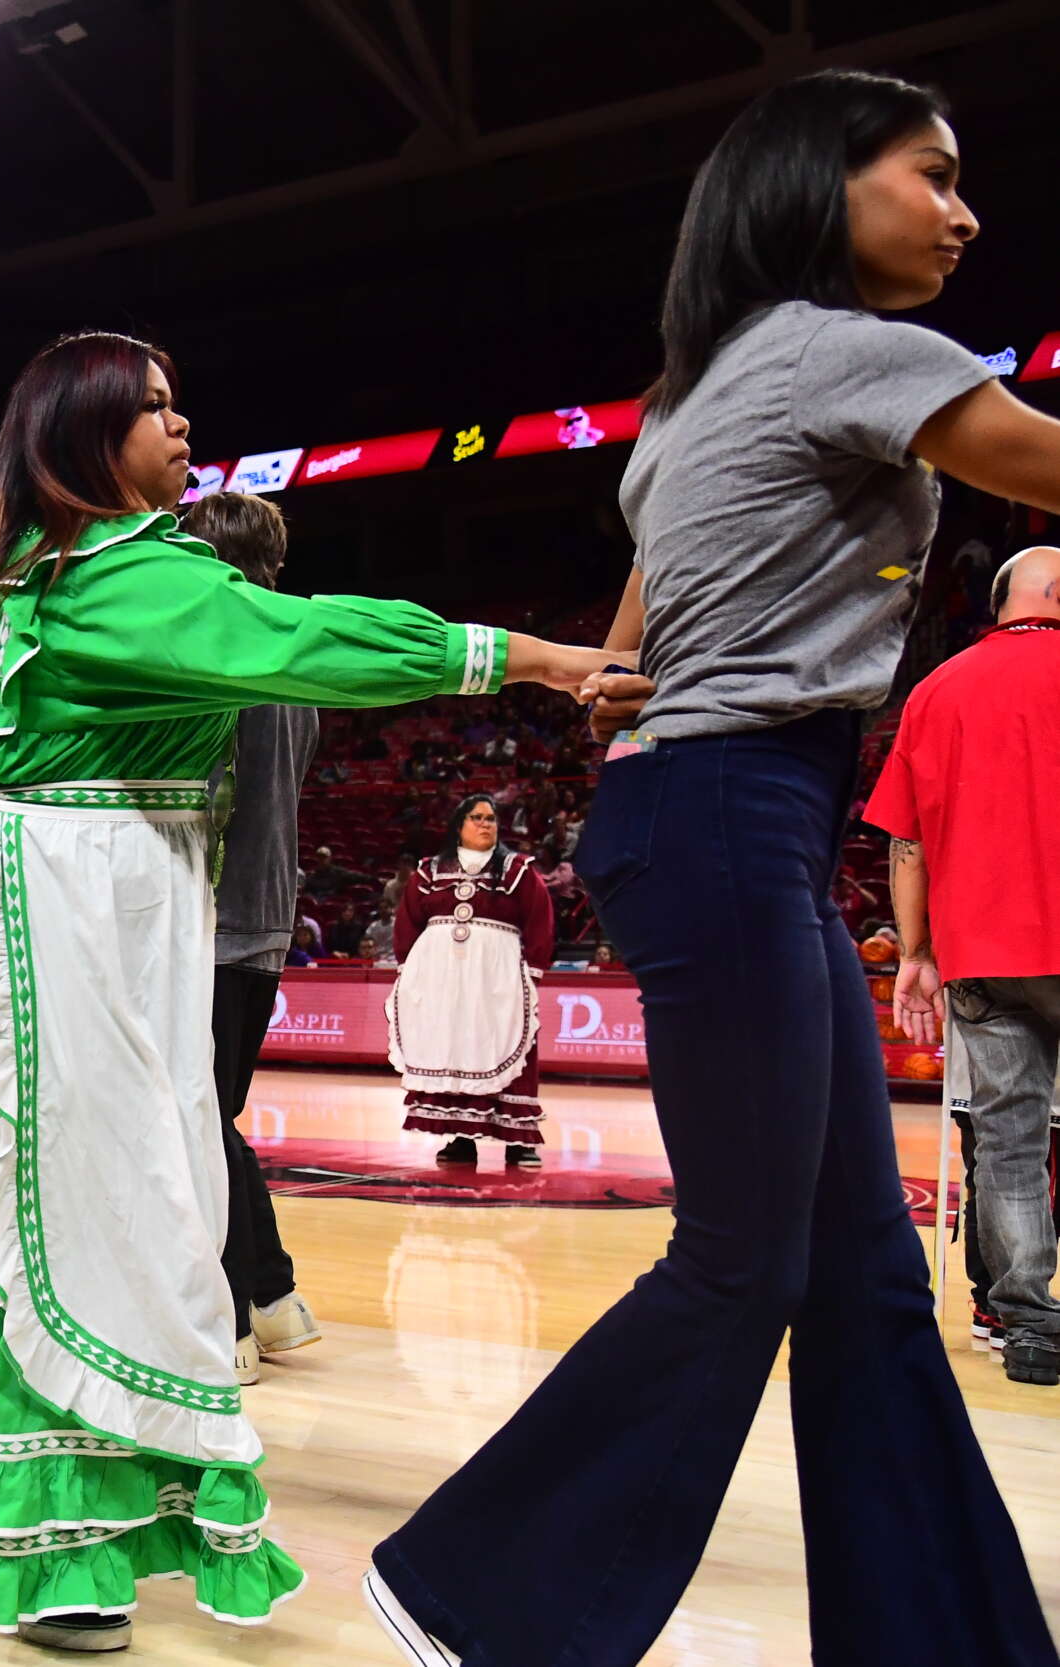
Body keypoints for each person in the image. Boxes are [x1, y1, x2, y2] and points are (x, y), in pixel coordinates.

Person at [372, 71, 1060, 1667]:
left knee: (867, 1269)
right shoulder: (857, 351)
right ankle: (479, 1591)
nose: (963, 214)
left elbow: (641, 596)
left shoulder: (700, 389)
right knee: (746, 1255)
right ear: (824, 184)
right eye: (934, 176)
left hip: (723, 806)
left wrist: (627, 668)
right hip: (734, 802)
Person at [0, 331, 609, 1651]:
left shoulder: (46, 562)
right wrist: (540, 656)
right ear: (85, 434)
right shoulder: (123, 578)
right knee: (62, 1209)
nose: (183, 427)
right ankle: (32, 1527)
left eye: (181, 404)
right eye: (154, 408)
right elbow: (317, 638)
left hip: (57, 887)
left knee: (56, 1207)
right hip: (36, 900)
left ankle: (30, 1494)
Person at [868, 545, 1060, 1387]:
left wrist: (915, 953)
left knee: (1009, 1143)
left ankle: (1030, 1326)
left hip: (982, 956)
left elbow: (906, 843)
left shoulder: (936, 690)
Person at [179, 488, 320, 1386]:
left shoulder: (223, 642)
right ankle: (273, 1298)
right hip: (259, 916)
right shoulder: (294, 642)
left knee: (196, 1125)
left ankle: (230, 1312)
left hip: (213, 918)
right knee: (215, 1117)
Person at [385, 793, 556, 1169]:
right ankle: (460, 1137)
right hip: (443, 978)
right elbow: (409, 920)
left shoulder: (518, 871)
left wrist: (533, 970)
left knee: (508, 1043)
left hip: (498, 975)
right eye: (477, 818)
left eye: (491, 819)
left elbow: (539, 918)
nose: (485, 824)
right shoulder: (430, 871)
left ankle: (518, 1139)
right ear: (458, 825)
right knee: (454, 1047)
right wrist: (409, 967)